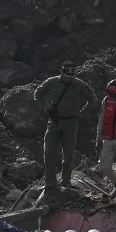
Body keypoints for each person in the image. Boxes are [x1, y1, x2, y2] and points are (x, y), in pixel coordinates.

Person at [34, 61, 95, 195]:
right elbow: (37, 93)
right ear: (61, 72)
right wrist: (44, 105)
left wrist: (83, 112)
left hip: (71, 123)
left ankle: (66, 182)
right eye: (67, 76)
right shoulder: (51, 82)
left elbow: (93, 99)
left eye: (71, 76)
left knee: (68, 155)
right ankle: (50, 184)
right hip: (54, 122)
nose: (69, 79)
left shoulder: (78, 84)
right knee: (49, 153)